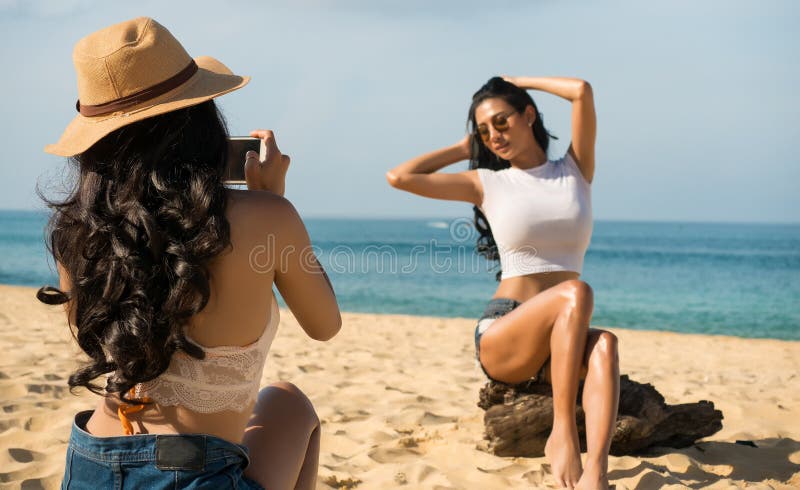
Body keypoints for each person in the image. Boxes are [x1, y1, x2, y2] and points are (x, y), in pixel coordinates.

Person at [37, 17, 340, 490]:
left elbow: (97, 333)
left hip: (91, 460)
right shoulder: (265, 216)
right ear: (200, 123)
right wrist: (275, 202)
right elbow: (326, 325)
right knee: (289, 404)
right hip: (191, 475)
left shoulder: (80, 230)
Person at [387, 76, 619, 489]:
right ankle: (563, 433)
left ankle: (595, 473)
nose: (494, 135)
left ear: (528, 115)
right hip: (505, 331)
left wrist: (516, 80)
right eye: (483, 131)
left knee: (606, 344)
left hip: (559, 342)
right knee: (576, 292)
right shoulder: (486, 183)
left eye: (501, 122)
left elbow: (581, 91)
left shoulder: (575, 170)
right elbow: (400, 177)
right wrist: (465, 149)